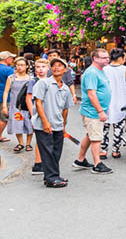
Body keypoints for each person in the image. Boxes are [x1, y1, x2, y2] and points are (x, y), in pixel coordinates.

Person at [32, 58, 73, 188]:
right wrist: (45, 122)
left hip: (58, 125)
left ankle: (51, 175)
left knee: (56, 151)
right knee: (47, 151)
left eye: (60, 66)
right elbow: (38, 102)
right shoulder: (43, 83)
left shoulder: (66, 89)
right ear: (51, 68)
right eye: (54, 65)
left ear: (65, 70)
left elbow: (65, 109)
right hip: (43, 124)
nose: (56, 67)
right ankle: (52, 178)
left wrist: (63, 127)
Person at [72, 48, 113, 175]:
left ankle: (80, 159)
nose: (107, 59)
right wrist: (100, 111)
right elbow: (91, 94)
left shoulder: (101, 71)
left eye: (107, 57)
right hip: (93, 111)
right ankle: (97, 164)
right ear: (95, 58)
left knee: (90, 135)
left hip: (96, 110)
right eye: (103, 57)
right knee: (96, 137)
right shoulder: (91, 73)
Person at [100, 48, 126, 159]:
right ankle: (115, 150)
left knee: (104, 127)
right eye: (124, 58)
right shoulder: (125, 69)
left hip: (105, 101)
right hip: (120, 101)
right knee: (119, 126)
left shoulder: (103, 69)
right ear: (121, 58)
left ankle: (103, 150)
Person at [3, 57, 34, 152]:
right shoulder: (11, 78)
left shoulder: (31, 78)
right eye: (18, 65)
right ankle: (21, 143)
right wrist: (4, 105)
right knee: (17, 124)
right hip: (16, 106)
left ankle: (28, 144)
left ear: (27, 66)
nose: (19, 67)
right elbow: (6, 91)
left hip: (28, 106)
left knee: (29, 124)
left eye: (22, 65)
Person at [29, 58, 50, 174]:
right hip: (37, 113)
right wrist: (33, 115)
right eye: (38, 67)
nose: (41, 69)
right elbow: (29, 98)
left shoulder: (50, 80)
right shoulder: (33, 81)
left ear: (48, 68)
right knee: (40, 138)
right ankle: (38, 163)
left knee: (47, 138)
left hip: (48, 113)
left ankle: (45, 160)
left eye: (43, 67)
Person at [0, 50, 17, 143]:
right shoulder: (9, 70)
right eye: (11, 58)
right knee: (4, 117)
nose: (12, 59)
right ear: (6, 59)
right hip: (4, 96)